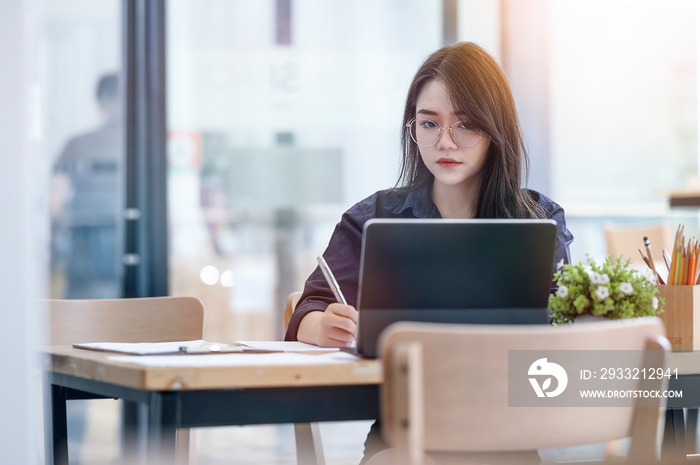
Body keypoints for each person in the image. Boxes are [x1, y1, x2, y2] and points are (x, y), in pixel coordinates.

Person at [286, 42, 574, 464]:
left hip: (507, 440)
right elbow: (306, 309)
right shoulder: (375, 217)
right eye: (429, 124)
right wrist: (320, 326)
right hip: (401, 440)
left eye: (465, 125)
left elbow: (564, 327)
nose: (445, 142)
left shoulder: (539, 219)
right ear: (412, 128)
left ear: (497, 131)